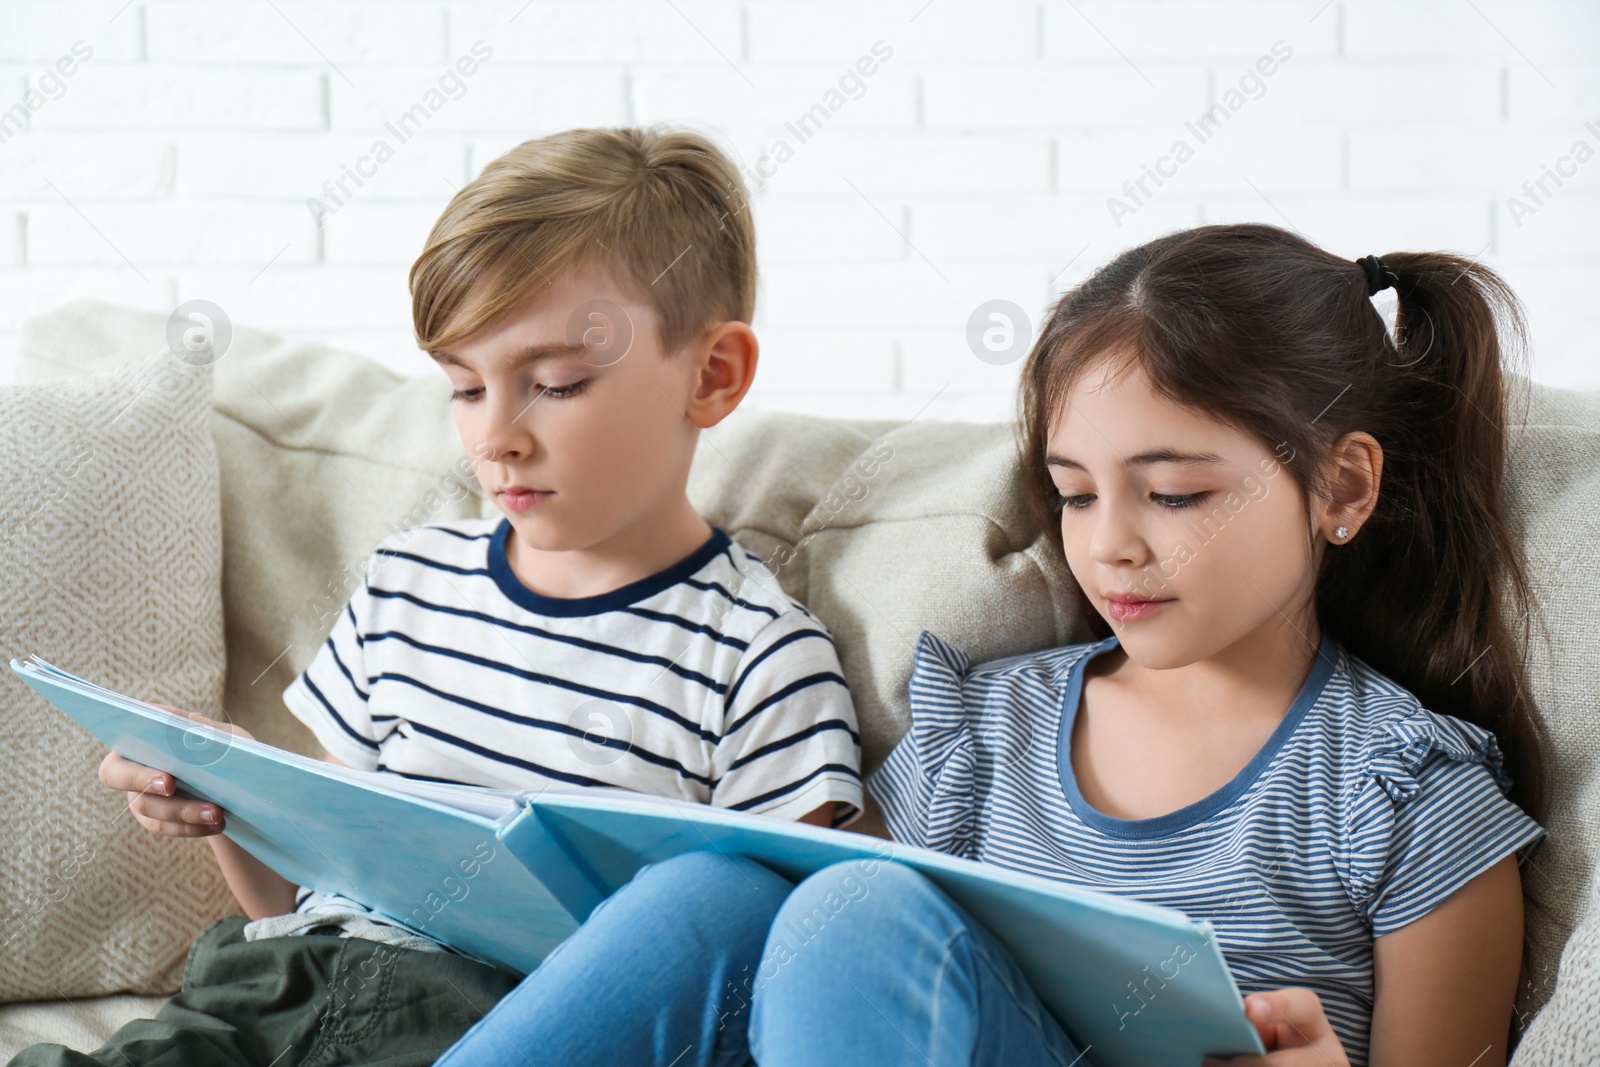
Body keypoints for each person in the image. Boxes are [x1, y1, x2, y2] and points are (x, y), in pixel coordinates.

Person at [431, 223, 1549, 1067]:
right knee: (716, 891)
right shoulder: (992, 729)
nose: (1108, 546)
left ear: (1341, 486)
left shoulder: (1401, 791)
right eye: (1072, 494)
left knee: (853, 901)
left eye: (1171, 493)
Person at [9, 126, 864, 1067]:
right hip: (272, 994)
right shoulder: (407, 584)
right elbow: (307, 900)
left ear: (711, 375)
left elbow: (747, 974)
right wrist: (227, 796)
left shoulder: (757, 657)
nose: (495, 435)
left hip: (488, 1029)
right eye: (463, 386)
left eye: (553, 384)